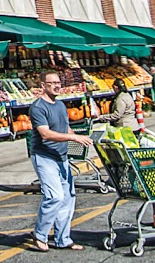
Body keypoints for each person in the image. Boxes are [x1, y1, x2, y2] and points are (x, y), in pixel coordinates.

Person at [29, 70, 90, 251]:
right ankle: (39, 234)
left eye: (58, 83)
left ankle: (63, 239)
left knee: (68, 198)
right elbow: (45, 134)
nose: (56, 86)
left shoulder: (61, 106)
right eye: (52, 83)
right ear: (42, 86)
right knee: (54, 196)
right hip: (44, 156)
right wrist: (73, 139)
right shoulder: (38, 107)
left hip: (61, 158)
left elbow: (67, 129)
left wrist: (82, 137)